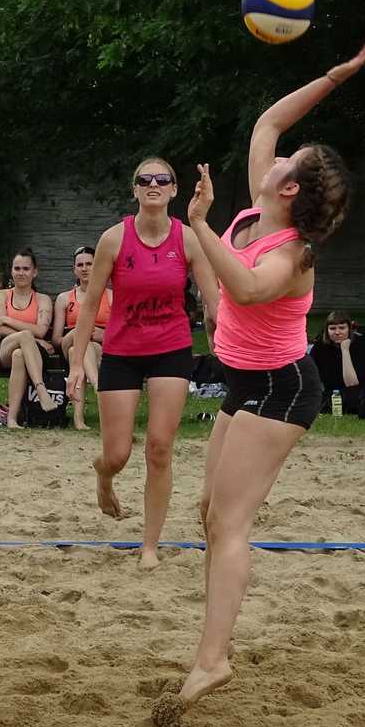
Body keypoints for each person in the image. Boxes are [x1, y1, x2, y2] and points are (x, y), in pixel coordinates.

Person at [151, 38, 365, 724]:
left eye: (289, 164)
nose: (277, 156)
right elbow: (267, 124)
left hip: (284, 389)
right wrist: (332, 78)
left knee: (232, 524)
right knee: (210, 517)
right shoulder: (256, 205)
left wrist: (197, 225)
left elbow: (245, 289)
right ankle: (213, 643)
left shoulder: (294, 254)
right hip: (245, 383)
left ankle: (213, 658)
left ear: (289, 190)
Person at [66, 157, 219, 569]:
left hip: (170, 347)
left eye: (162, 179)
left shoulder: (188, 240)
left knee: (159, 448)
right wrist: (77, 363)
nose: (153, 184)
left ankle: (149, 546)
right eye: (144, 179)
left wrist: (224, 335)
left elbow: (215, 303)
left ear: (173, 190)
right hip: (122, 350)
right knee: (117, 455)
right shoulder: (114, 240)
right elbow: (90, 304)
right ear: (134, 190)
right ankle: (103, 477)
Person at [0, 247, 58, 428]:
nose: (21, 273)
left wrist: (8, 318)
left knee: (20, 355)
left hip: (31, 354)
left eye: (26, 269)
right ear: (11, 271)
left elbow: (41, 330)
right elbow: (1, 328)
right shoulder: (0, 295)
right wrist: (30, 338)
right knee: (25, 337)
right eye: (17, 268)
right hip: (4, 349)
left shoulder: (42, 300)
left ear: (35, 272)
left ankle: (11, 419)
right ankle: (41, 390)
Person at [52, 246, 112, 430]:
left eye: (89, 264)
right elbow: (56, 340)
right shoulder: (64, 298)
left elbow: (123, 332)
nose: (85, 268)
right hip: (69, 343)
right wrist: (81, 330)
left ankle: (78, 420)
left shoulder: (111, 296)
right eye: (80, 265)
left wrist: (104, 334)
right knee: (77, 340)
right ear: (74, 269)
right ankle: (98, 387)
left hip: (99, 349)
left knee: (80, 349)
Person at [310, 309, 365, 413]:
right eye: (332, 328)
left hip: (362, 387)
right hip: (335, 391)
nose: (337, 332)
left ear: (349, 329)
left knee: (357, 397)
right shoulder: (320, 347)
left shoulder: (359, 344)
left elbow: (352, 383)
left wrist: (345, 350)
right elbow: (312, 376)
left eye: (342, 328)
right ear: (326, 330)